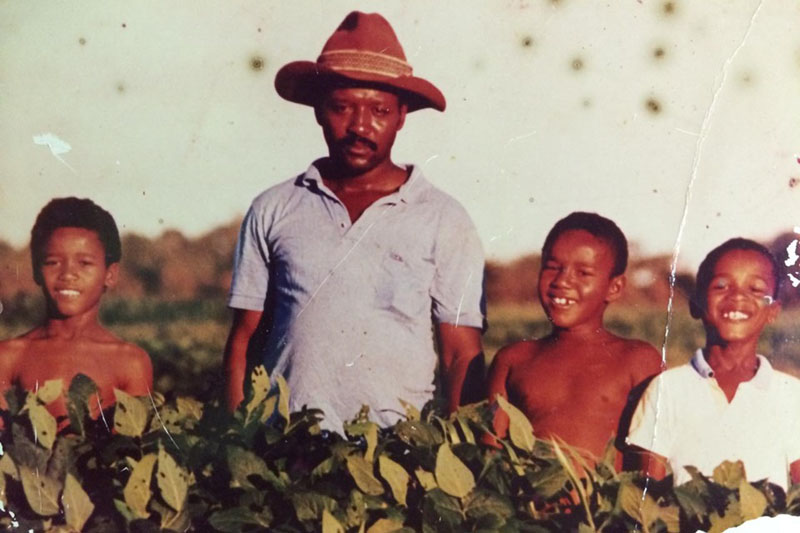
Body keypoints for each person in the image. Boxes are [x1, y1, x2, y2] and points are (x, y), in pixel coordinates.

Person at [224, 12, 485, 430]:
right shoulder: (273, 207)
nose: (360, 126)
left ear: (402, 115)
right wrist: (238, 440)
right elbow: (244, 340)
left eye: (379, 109)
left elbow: (461, 353)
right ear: (318, 111)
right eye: (342, 107)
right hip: (286, 445)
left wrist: (459, 449)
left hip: (399, 452)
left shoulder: (443, 218)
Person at [487, 212, 661, 464]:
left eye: (583, 273)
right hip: (526, 502)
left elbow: (652, 461)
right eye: (553, 267)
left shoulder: (638, 360)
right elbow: (489, 450)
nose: (562, 281)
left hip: (605, 503)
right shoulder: (513, 359)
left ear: (614, 288)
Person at [626, 238, 800, 489]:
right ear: (697, 304)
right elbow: (643, 498)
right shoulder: (667, 390)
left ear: (772, 310)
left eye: (755, 289)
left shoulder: (792, 395)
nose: (738, 297)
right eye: (721, 286)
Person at [0, 197, 153, 425]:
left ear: (110, 274)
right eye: (53, 262)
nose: (68, 274)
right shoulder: (9, 357)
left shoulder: (130, 362)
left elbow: (129, 450)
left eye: (84, 263)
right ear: (36, 270)